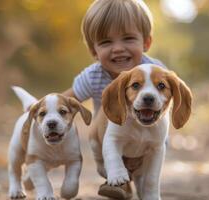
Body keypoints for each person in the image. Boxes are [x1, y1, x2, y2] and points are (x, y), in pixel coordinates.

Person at [62, 0, 166, 198]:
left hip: (149, 139)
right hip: (111, 143)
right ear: (94, 51)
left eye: (128, 38)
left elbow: (173, 95)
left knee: (146, 181)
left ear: (146, 42)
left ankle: (144, 188)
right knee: (111, 158)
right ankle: (119, 183)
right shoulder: (93, 76)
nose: (118, 48)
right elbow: (66, 102)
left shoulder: (156, 71)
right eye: (106, 42)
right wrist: (37, 110)